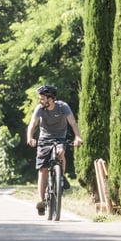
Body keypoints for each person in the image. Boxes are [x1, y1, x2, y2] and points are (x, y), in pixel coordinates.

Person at [26, 84, 83, 215]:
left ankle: (60, 178)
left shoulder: (63, 107)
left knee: (60, 152)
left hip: (59, 138)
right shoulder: (39, 109)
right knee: (43, 169)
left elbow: (72, 122)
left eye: (42, 98)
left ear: (50, 98)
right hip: (44, 139)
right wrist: (30, 137)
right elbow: (33, 124)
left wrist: (78, 137)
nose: (40, 101)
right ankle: (41, 201)